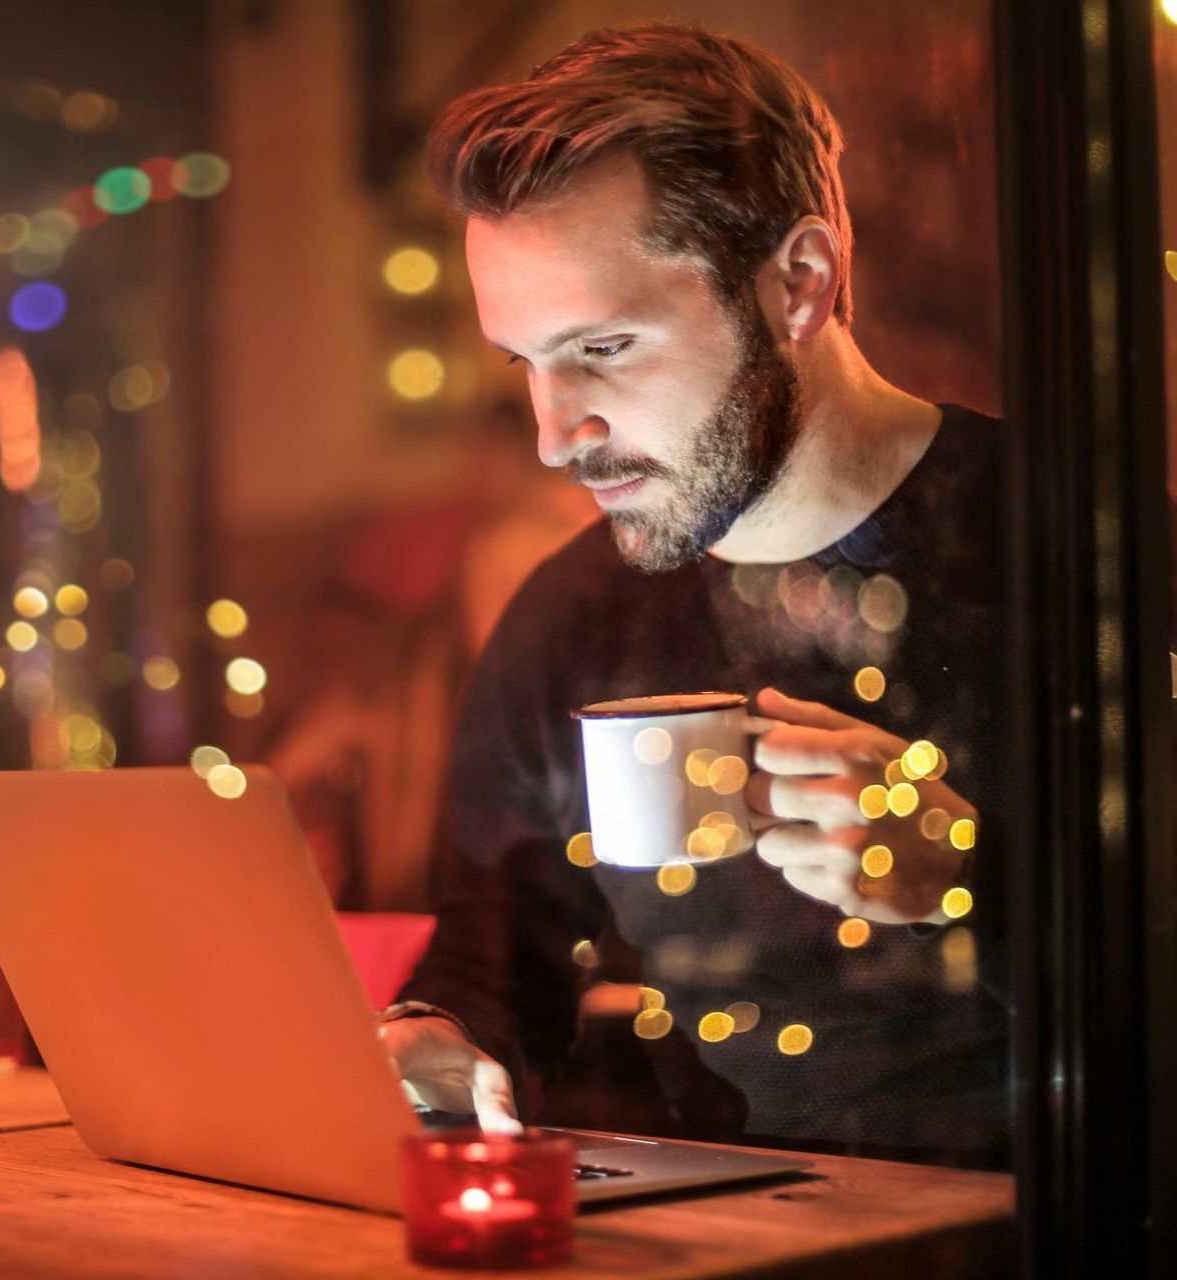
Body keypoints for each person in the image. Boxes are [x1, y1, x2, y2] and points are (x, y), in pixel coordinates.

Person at [378, 23, 1009, 1166]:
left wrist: (979, 883)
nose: (554, 435)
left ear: (798, 283)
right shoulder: (568, 616)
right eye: (525, 361)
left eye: (606, 346)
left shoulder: (1079, 550)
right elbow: (495, 958)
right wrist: (433, 1040)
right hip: (720, 1230)